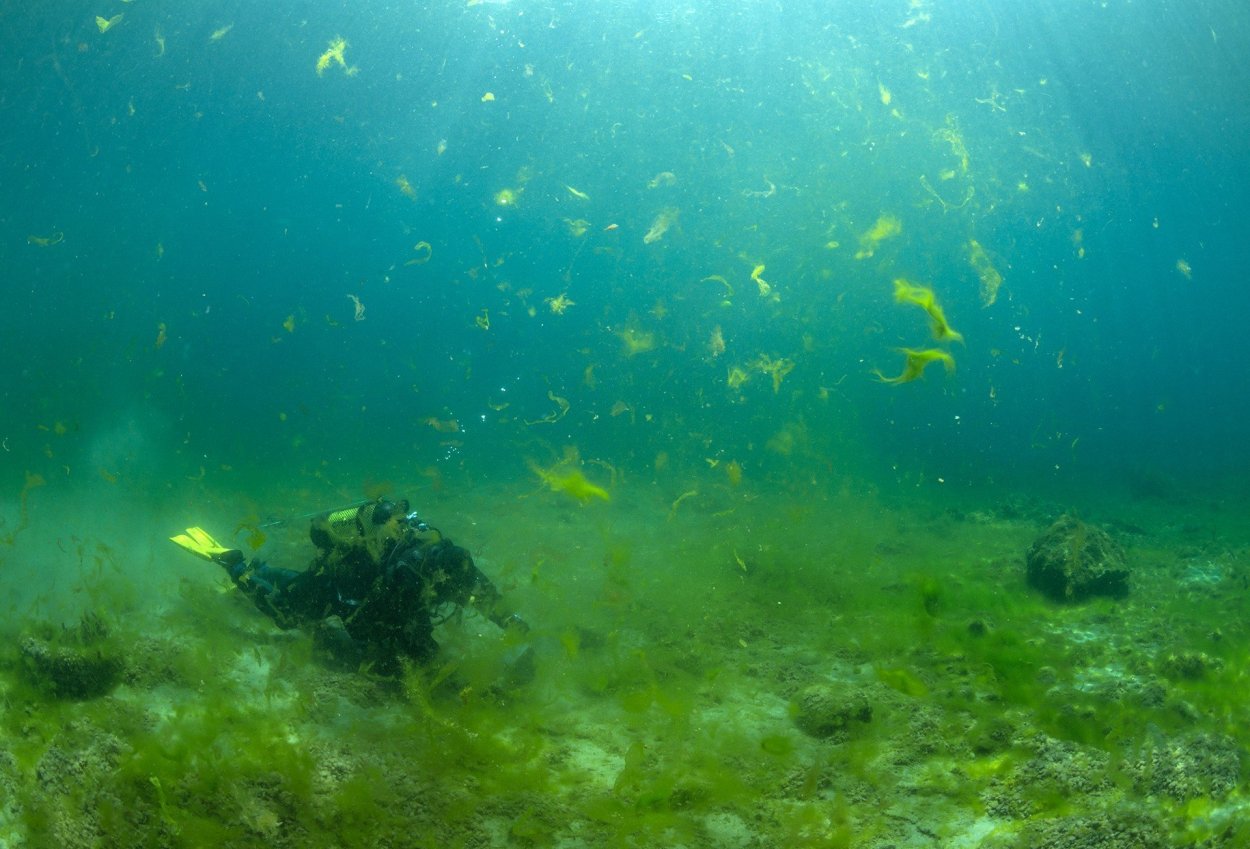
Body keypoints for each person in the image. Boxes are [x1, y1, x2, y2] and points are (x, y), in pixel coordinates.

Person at [171, 498, 527, 674]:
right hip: (339, 588)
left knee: (295, 587)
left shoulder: (448, 565)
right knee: (287, 613)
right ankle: (236, 566)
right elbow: (405, 637)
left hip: (361, 592)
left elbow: (481, 593)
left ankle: (264, 569)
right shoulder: (396, 574)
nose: (455, 589)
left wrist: (511, 623)